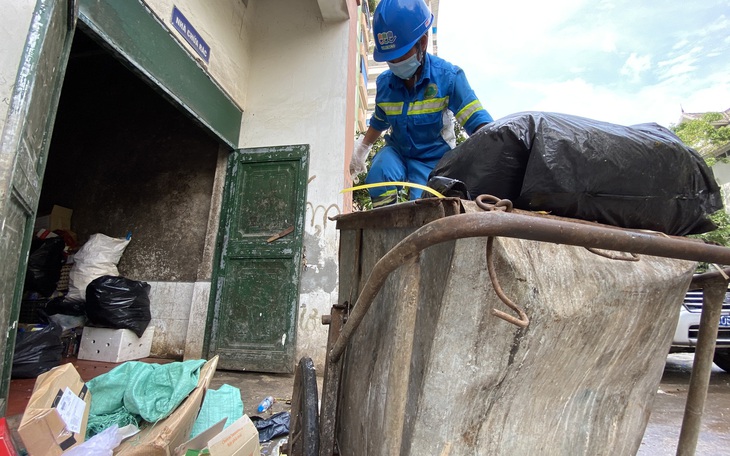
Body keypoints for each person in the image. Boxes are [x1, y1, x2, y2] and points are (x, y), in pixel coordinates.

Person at [349, 0, 493, 208]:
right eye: (391, 58)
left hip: (433, 157)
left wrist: (494, 156)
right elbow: (379, 121)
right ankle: (386, 226)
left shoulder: (449, 78)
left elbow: (479, 124)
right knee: (379, 172)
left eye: (401, 55)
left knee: (423, 203)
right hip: (398, 150)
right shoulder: (385, 84)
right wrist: (361, 150)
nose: (395, 63)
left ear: (423, 42)